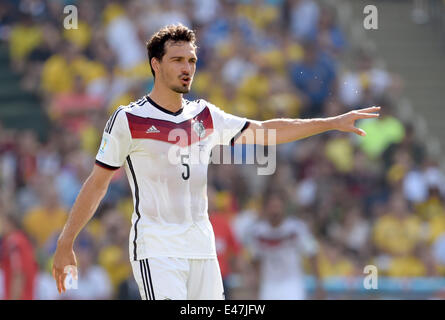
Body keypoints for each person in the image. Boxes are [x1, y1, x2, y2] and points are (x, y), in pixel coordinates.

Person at [52, 24, 380, 300]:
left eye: (192, 60)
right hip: (157, 248)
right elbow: (97, 183)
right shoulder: (129, 119)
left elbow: (266, 132)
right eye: (178, 59)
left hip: (202, 248)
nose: (187, 68)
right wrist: (66, 242)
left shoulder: (205, 115)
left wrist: (329, 122)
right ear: (155, 64)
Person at [247, 191, 323, 300]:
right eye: (272, 207)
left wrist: (319, 284)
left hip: (292, 284)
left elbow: (312, 254)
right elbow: (255, 260)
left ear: (284, 207)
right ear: (265, 208)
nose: (275, 211)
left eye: (277, 206)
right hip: (269, 285)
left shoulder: (297, 228)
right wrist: (255, 288)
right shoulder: (258, 232)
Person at [0, 212, 38, 300]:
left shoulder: (14, 242)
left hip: (19, 296)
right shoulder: (22, 240)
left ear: (10, 223)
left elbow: (18, 272)